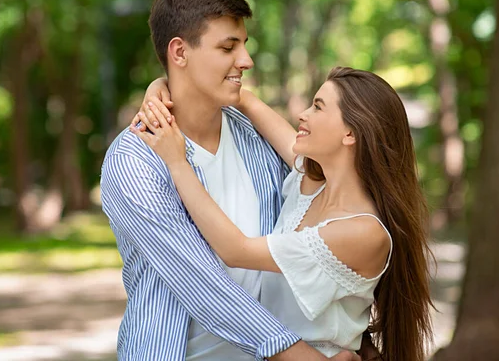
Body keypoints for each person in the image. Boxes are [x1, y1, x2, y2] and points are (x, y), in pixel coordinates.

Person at [101, 0, 359, 360]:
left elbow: (317, 220)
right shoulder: (135, 161)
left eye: (244, 45)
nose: (246, 60)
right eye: (227, 47)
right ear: (179, 52)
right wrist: (302, 357)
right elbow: (202, 284)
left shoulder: (255, 138)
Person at [132, 66, 435, 361]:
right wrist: (164, 87)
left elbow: (235, 250)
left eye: (318, 107)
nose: (303, 114)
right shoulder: (311, 184)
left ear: (350, 134)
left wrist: (176, 162)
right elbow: (246, 101)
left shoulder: (362, 232)